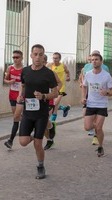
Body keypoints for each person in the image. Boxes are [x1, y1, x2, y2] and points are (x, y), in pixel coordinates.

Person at [18, 44, 58, 179]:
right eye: (35, 54)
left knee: (37, 144)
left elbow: (55, 93)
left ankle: (40, 166)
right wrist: (20, 95)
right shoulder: (25, 71)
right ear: (31, 55)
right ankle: (37, 134)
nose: (38, 57)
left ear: (43, 56)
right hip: (28, 112)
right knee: (23, 142)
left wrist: (44, 96)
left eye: (40, 55)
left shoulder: (48, 73)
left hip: (41, 113)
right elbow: (23, 85)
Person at [81, 52, 112, 157]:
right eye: (92, 60)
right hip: (90, 104)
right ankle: (96, 126)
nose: (94, 61)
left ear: (101, 61)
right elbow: (84, 86)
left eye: (96, 59)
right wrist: (83, 97)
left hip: (101, 105)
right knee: (87, 127)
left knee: (99, 128)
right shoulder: (88, 74)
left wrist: (107, 92)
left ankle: (100, 147)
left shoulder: (106, 75)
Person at [4, 50, 24, 149]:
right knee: (16, 117)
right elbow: (5, 79)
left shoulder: (25, 70)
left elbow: (26, 84)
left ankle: (10, 140)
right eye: (14, 57)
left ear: (22, 58)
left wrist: (21, 94)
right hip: (12, 95)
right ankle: (29, 121)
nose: (15, 59)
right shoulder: (10, 68)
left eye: (17, 57)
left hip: (21, 97)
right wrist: (9, 81)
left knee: (16, 118)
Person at [43, 54, 62, 150]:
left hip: (49, 101)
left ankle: (50, 127)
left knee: (43, 120)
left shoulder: (51, 73)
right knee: (42, 122)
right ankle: (50, 140)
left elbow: (60, 83)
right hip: (37, 102)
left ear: (45, 62)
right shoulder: (32, 72)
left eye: (43, 61)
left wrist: (55, 91)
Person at [47, 52, 71, 122]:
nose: (55, 59)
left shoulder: (63, 66)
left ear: (59, 59)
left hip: (61, 87)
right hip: (52, 87)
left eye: (56, 58)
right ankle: (64, 108)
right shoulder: (49, 65)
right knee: (54, 104)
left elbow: (67, 72)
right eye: (53, 58)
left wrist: (68, 77)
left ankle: (52, 121)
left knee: (55, 103)